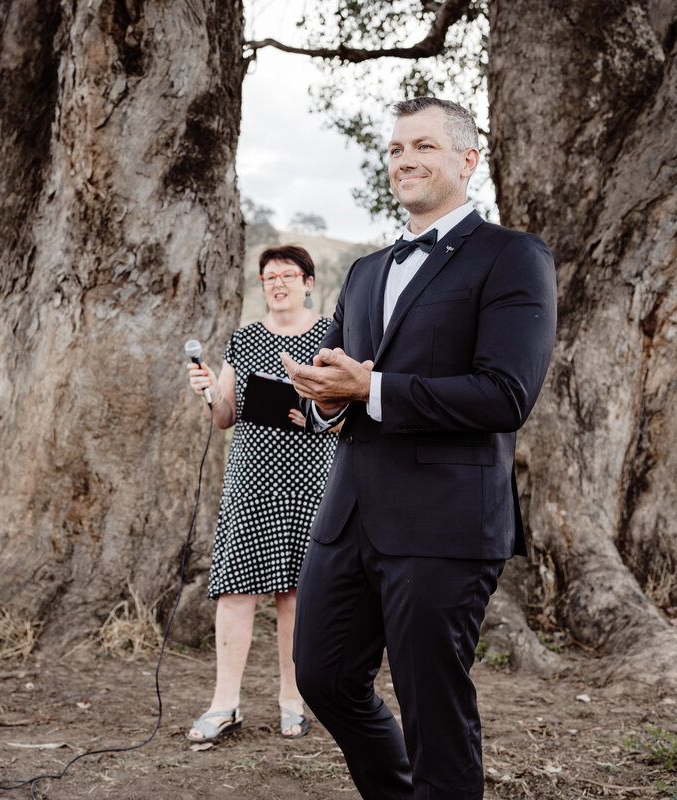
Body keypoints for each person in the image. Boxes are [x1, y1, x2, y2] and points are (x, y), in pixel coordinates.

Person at [278, 97, 557, 799]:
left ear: (467, 161)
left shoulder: (512, 257)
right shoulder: (368, 271)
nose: (405, 160)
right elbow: (340, 384)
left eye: (424, 147)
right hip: (348, 517)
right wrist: (325, 397)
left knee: (433, 708)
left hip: (446, 521)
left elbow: (505, 395)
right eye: (397, 149)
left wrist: (371, 386)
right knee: (322, 676)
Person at [185, 244, 339, 743]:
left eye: (288, 275)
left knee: (295, 594)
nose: (277, 283)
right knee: (234, 590)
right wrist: (208, 390)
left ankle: (292, 701)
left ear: (308, 283)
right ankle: (224, 705)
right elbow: (225, 415)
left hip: (310, 478)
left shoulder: (330, 338)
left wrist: (313, 413)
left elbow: (345, 412)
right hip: (251, 478)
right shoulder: (245, 339)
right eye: (269, 276)